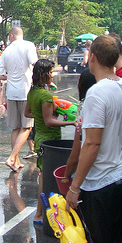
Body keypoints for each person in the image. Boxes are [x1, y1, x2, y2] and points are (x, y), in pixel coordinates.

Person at [64, 35, 122, 243]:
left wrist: (74, 187)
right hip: (121, 175)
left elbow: (91, 144)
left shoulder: (97, 95)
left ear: (93, 58)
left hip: (100, 182)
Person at [24, 59, 76, 224]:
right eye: (51, 72)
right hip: (49, 139)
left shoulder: (33, 92)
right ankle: (39, 214)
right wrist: (71, 122)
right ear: (43, 74)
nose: (53, 75)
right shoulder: (45, 96)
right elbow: (49, 122)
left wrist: (41, 113)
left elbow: (28, 113)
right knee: (46, 178)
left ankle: (41, 213)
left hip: (40, 138)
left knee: (44, 176)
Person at [64, 67, 97, 243]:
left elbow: (79, 150)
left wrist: (69, 177)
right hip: (119, 177)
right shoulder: (120, 93)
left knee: (90, 240)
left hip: (93, 179)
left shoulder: (87, 108)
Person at [0, 26, 38, 172]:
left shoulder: (6, 51)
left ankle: (16, 162)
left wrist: (12, 76)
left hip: (11, 93)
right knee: (27, 127)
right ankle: (12, 157)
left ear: (11, 36)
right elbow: (35, 64)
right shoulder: (29, 46)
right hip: (26, 92)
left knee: (15, 128)